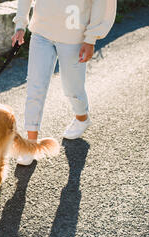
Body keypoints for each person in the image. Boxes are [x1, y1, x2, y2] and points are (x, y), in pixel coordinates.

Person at [11, 0, 117, 165]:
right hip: (41, 32)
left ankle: (82, 118)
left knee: (72, 87)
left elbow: (100, 3)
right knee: (35, 87)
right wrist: (20, 25)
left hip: (74, 36)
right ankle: (31, 145)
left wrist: (90, 39)